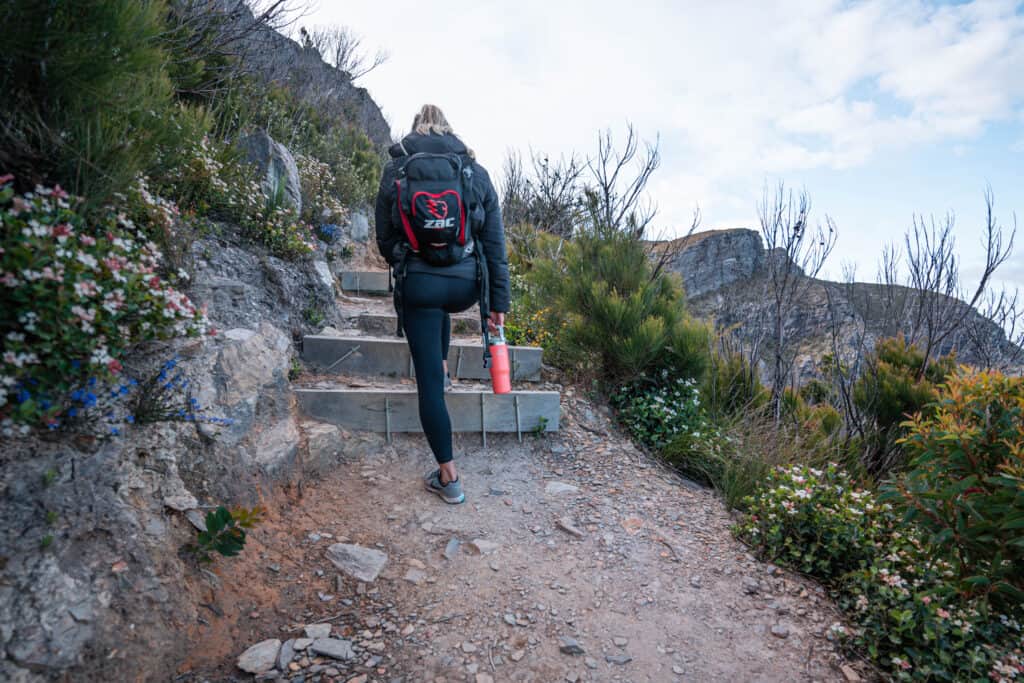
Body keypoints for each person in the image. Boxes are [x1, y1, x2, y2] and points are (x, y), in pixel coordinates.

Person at [375, 104, 510, 504]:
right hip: (465, 286)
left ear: (416, 129)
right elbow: (495, 246)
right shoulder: (473, 172)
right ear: (450, 130)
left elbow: (384, 239)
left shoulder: (397, 170)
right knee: (443, 308)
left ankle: (449, 477)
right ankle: (446, 366)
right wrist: (495, 302)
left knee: (428, 384)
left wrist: (410, 258)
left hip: (419, 284)